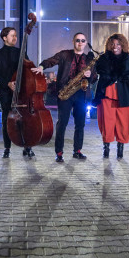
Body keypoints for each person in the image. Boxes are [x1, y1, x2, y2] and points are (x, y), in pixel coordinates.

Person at [31, 32, 96, 162]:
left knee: (80, 124)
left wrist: (90, 76)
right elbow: (51, 61)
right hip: (65, 92)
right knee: (62, 123)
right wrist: (42, 66)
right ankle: (59, 152)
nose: (80, 43)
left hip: (81, 93)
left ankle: (77, 151)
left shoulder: (89, 60)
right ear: (73, 41)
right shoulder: (65, 54)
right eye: (77, 40)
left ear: (85, 43)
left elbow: (94, 78)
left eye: (83, 41)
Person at [93, 33, 129, 159]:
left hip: (124, 94)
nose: (115, 46)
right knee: (106, 122)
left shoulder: (128, 59)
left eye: (118, 44)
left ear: (122, 45)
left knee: (124, 122)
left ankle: (120, 148)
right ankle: (106, 148)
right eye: (112, 44)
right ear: (109, 45)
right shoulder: (103, 58)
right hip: (107, 93)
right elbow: (97, 73)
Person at [0, 26, 21, 158]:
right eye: (12, 35)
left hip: (21, 91)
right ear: (4, 38)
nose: (15, 38)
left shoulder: (20, 52)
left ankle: (27, 146)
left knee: (24, 120)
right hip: (5, 92)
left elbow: (28, 69)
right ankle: (7, 148)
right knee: (6, 120)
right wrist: (8, 83)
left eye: (15, 36)